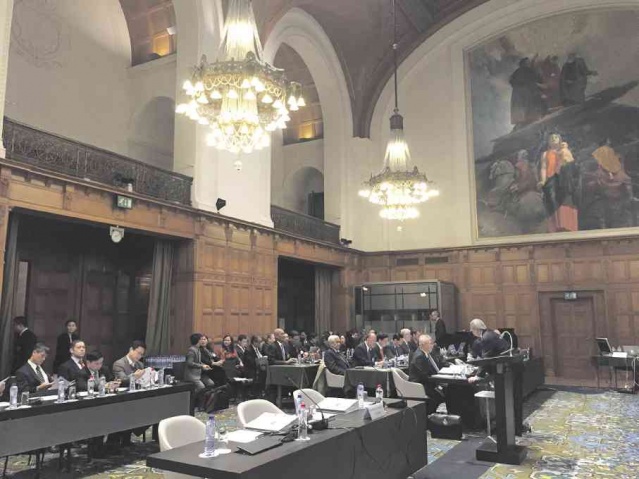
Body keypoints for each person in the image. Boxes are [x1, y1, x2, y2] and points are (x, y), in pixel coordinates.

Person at [539, 133, 579, 232]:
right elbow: (543, 168)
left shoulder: (564, 151)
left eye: (556, 137)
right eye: (551, 138)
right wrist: (543, 180)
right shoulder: (545, 154)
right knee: (552, 198)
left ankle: (567, 224)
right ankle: (555, 224)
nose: (553, 139)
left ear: (560, 140)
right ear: (548, 142)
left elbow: (571, 163)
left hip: (564, 178)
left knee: (566, 200)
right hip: (551, 178)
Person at [409, 335, 446, 415]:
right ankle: (431, 417)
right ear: (423, 345)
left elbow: (434, 368)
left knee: (445, 390)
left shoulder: (426, 354)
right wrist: (438, 380)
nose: (432, 345)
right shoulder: (419, 356)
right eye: (430, 343)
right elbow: (424, 376)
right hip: (419, 385)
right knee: (441, 394)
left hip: (426, 382)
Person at [509, 57, 546, 128]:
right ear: (525, 64)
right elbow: (534, 81)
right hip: (526, 93)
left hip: (518, 93)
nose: (529, 64)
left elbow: (511, 81)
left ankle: (520, 121)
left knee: (520, 108)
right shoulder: (529, 71)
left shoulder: (517, 71)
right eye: (528, 62)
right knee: (528, 108)